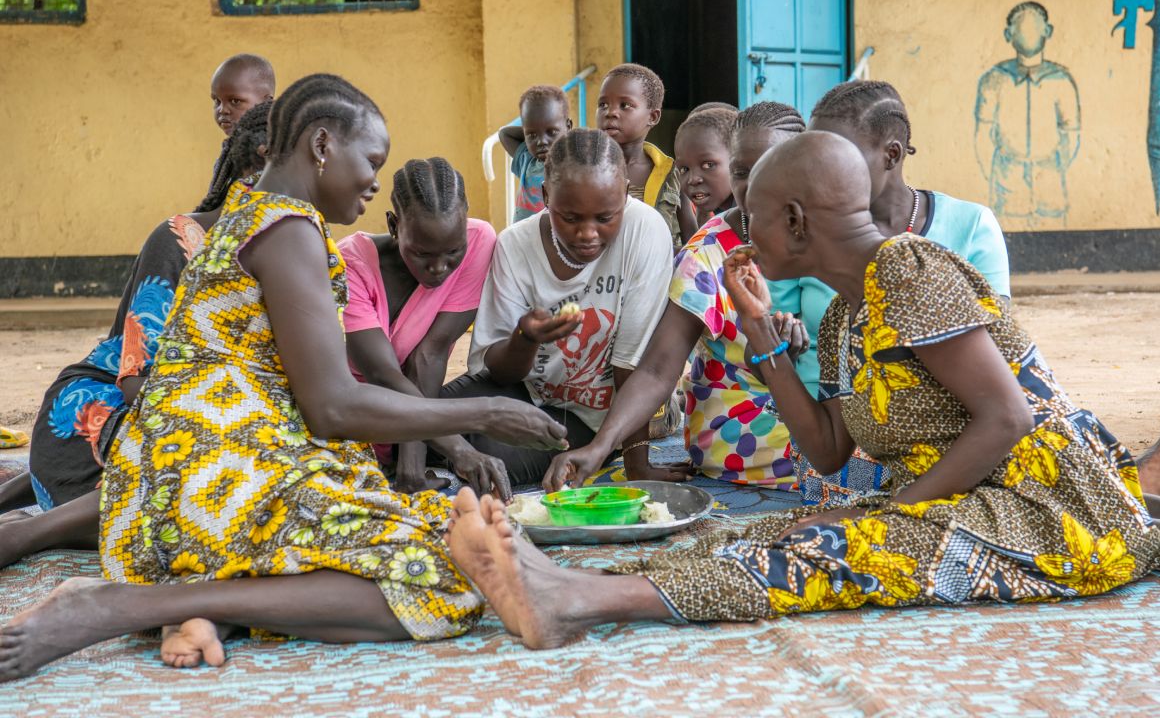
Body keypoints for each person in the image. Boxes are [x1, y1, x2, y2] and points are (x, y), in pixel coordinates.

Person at [444, 131, 1160, 651]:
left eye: (755, 220)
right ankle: (569, 574)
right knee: (779, 527)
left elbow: (1006, 418)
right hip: (972, 500)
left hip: (1056, 511)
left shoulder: (910, 268)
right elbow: (828, 453)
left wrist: (895, 509)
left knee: (840, 545)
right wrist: (762, 334)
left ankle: (571, 601)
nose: (742, 235)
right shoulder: (843, 317)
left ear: (798, 221)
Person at [0, 74, 569, 682]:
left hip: (161, 489)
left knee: (443, 526)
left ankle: (204, 606)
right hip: (207, 482)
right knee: (450, 577)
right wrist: (484, 413)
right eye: (371, 160)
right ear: (322, 146)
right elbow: (333, 408)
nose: (376, 180)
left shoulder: (247, 213)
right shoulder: (289, 231)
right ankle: (123, 606)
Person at [0, 104, 272, 572]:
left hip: (191, 415)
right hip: (98, 419)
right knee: (209, 477)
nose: (369, 184)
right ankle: (25, 535)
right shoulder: (181, 240)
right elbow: (136, 380)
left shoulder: (299, 249)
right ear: (261, 166)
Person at [543, 102, 806, 491]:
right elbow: (656, 369)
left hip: (823, 415)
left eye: (771, 167)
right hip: (745, 431)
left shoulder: (831, 233)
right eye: (741, 172)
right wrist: (600, 448)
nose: (756, 185)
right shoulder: (708, 255)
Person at [780, 80, 1013, 505]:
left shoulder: (969, 226)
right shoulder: (813, 238)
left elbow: (1002, 372)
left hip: (953, 441)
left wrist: (892, 511)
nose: (818, 170)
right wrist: (775, 342)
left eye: (836, 155)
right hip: (842, 429)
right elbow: (827, 441)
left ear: (891, 154)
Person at [446, 127, 680, 486]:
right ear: (545, 196)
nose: (587, 234)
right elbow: (497, 372)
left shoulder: (645, 231)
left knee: (491, 457)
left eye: (605, 218)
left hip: (598, 416)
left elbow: (633, 366)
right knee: (426, 421)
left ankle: (602, 446)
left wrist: (633, 464)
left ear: (624, 197)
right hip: (526, 392)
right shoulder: (515, 245)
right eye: (570, 218)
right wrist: (526, 338)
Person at [341, 157, 504, 496]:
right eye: (422, 254)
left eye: (452, 251)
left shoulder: (478, 241)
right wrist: (460, 451)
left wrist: (412, 468)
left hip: (407, 415)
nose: (440, 268)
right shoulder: (349, 266)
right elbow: (383, 374)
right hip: (349, 418)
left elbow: (430, 354)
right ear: (393, 225)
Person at [974, 2, 1080, 228]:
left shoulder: (1061, 80)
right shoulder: (994, 79)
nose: (1028, 32)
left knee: (1053, 234)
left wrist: (1053, 165)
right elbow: (982, 135)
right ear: (1008, 34)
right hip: (1007, 176)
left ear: (1047, 31)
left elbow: (1071, 134)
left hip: (1049, 177)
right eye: (1021, 26)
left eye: (1035, 26)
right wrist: (1000, 172)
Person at [597, 63, 696, 248]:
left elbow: (691, 237)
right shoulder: (586, 169)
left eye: (625, 105)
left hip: (658, 272)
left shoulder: (671, 173)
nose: (610, 112)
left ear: (653, 117)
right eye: (603, 104)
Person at [497, 85, 572, 223]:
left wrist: (535, 131)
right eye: (532, 135)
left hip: (552, 241)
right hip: (522, 240)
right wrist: (532, 130)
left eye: (551, 132)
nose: (541, 142)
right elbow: (504, 134)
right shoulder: (527, 160)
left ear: (568, 126)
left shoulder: (574, 165)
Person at [673, 106, 737, 227]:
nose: (693, 179)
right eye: (684, 169)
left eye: (708, 165)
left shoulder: (757, 217)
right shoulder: (723, 219)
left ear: (737, 158)